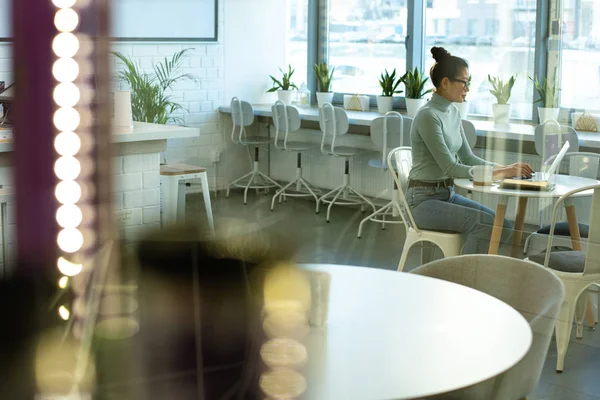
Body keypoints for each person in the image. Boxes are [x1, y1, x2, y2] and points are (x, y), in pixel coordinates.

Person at [406, 46, 534, 254]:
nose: (467, 88)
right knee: (484, 224)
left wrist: (506, 167)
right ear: (446, 82)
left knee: (503, 226)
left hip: (447, 194)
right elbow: (450, 167)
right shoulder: (428, 116)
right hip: (422, 201)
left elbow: (467, 157)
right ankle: (462, 278)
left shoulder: (453, 113)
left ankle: (466, 271)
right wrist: (500, 173)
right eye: (464, 82)